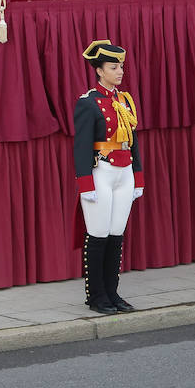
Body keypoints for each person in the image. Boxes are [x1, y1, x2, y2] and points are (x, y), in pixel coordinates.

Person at [74, 41, 143, 314]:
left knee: (116, 234)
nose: (120, 71)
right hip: (101, 171)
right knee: (99, 234)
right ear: (99, 71)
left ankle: (112, 292)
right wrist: (85, 183)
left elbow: (134, 140)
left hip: (124, 171)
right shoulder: (88, 103)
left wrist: (138, 176)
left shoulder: (125, 100)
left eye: (121, 66)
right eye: (113, 67)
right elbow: (81, 146)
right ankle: (96, 295)